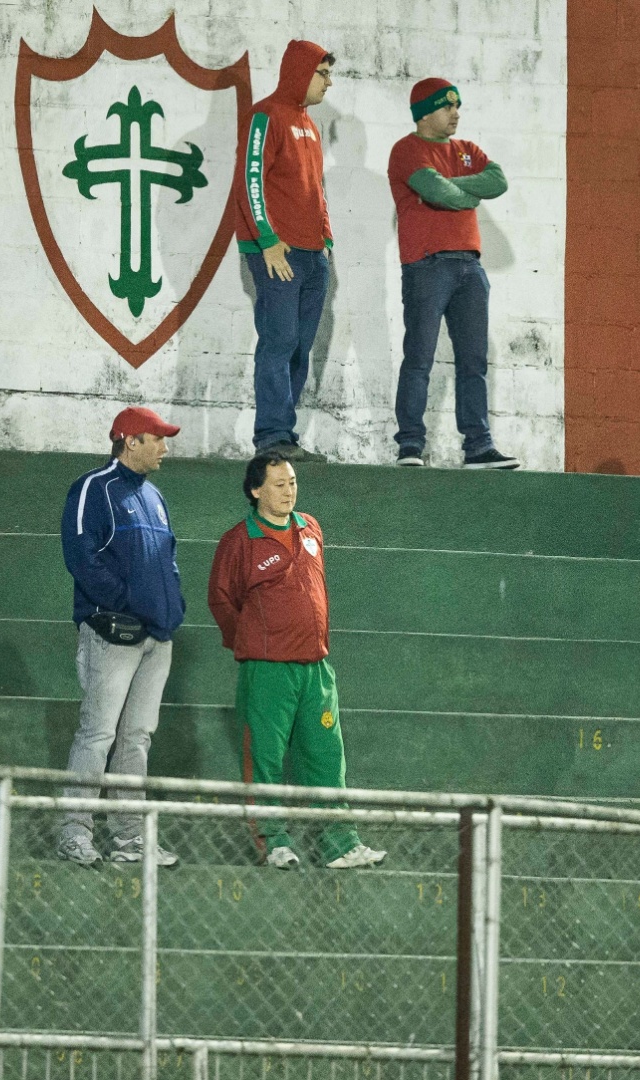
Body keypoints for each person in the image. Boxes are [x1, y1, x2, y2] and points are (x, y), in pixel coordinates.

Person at [206, 452, 384, 870]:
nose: (289, 491)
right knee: (265, 758)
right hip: (268, 670)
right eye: (279, 484)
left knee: (327, 757)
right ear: (255, 490)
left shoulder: (310, 527)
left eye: (292, 482)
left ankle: (340, 844)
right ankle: (274, 843)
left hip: (317, 668)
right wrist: (252, 644)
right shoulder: (239, 541)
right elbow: (222, 601)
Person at [56, 407, 187, 868]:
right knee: (98, 734)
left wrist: (170, 613)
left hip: (156, 637)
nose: (165, 448)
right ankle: (74, 833)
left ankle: (130, 840)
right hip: (113, 633)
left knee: (136, 738)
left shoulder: (154, 496)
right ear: (130, 440)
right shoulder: (93, 487)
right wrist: (124, 604)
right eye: (157, 438)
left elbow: (168, 559)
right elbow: (80, 556)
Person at [387, 78, 519, 470]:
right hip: (427, 265)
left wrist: (451, 185)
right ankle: (410, 446)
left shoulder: (466, 150)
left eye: (458, 106)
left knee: (473, 360)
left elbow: (498, 180)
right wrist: (458, 191)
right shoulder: (406, 150)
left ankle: (478, 447)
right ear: (424, 112)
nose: (456, 114)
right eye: (448, 107)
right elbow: (437, 193)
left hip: (470, 267)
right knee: (420, 358)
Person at [234, 41, 336, 462]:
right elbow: (249, 179)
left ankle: (285, 439)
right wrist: (266, 240)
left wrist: (327, 241)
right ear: (300, 71)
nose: (329, 82)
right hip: (279, 252)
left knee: (298, 347)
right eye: (323, 73)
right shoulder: (266, 115)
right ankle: (271, 437)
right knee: (279, 342)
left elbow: (315, 190)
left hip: (313, 256)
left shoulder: (309, 125)